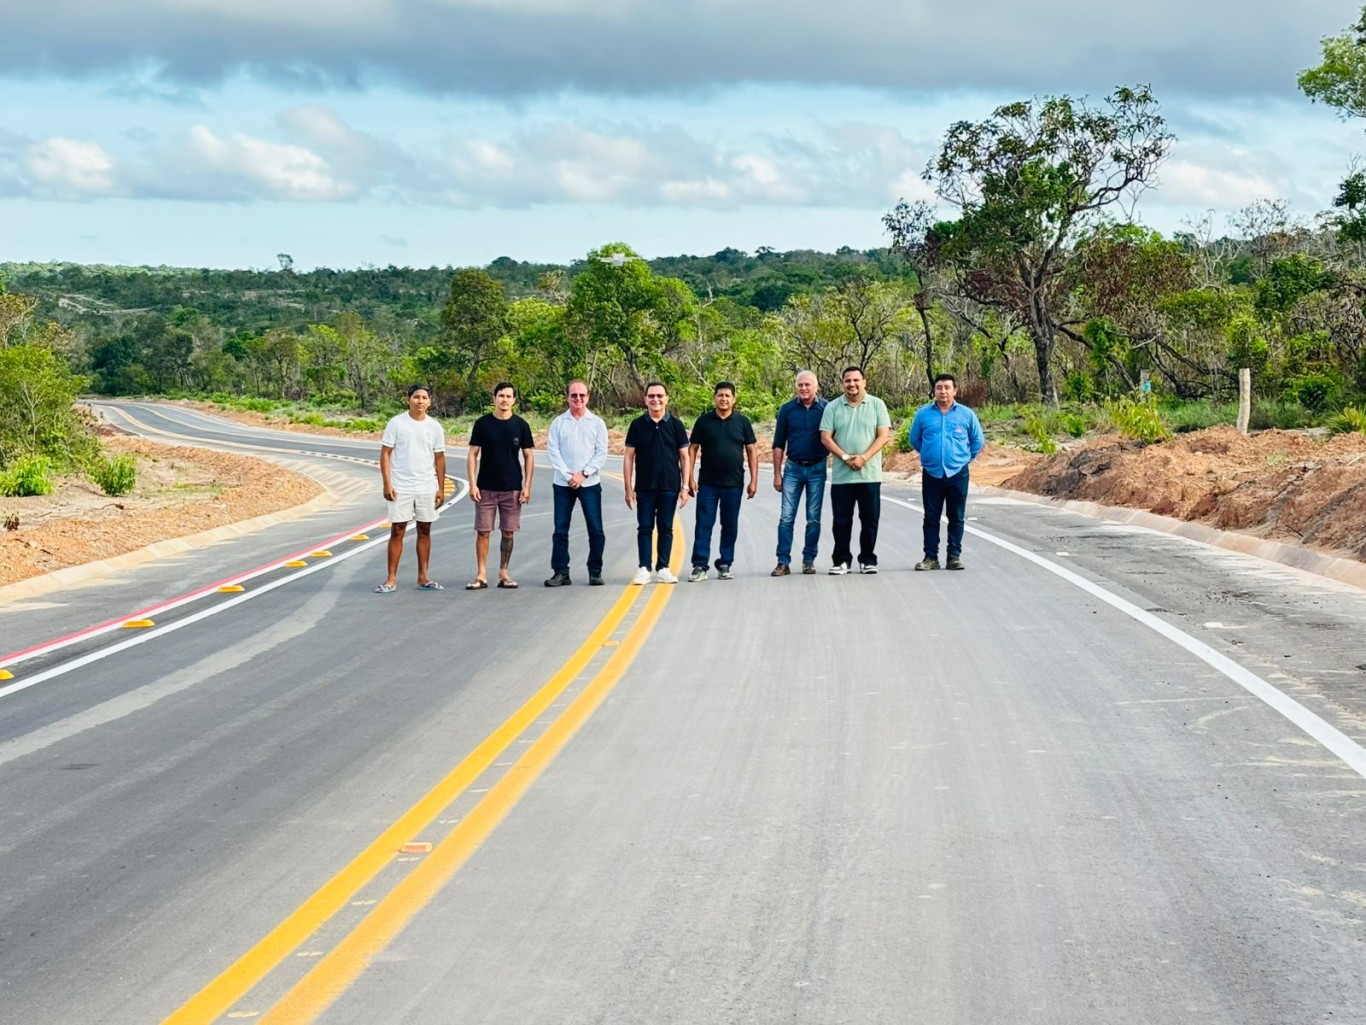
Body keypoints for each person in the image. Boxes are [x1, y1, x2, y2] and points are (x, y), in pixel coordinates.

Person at [908, 372, 985, 571]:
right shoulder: (923, 415)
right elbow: (915, 439)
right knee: (931, 516)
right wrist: (929, 454)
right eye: (939, 388)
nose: (943, 391)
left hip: (958, 473)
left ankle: (954, 557)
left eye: (947, 388)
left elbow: (977, 441)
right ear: (934, 391)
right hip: (932, 473)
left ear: (955, 390)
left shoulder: (966, 415)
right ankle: (930, 557)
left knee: (956, 516)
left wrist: (964, 459)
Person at [819, 366, 891, 574]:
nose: (852, 384)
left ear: (864, 382)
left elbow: (883, 436)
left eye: (856, 380)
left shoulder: (877, 404)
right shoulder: (833, 407)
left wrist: (864, 457)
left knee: (870, 520)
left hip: (869, 475)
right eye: (848, 381)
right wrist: (845, 457)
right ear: (843, 383)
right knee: (841, 521)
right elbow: (825, 437)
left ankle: (868, 559)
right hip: (842, 477)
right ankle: (841, 560)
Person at [376, 384, 447, 593]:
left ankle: (423, 577)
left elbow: (439, 458)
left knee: (424, 529)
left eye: (424, 397)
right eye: (416, 397)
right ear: (408, 399)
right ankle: (391, 579)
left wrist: (440, 488)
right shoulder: (397, 423)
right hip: (401, 486)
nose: (420, 401)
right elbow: (386, 453)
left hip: (426, 486)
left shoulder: (435, 427)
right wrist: (387, 483)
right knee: (398, 529)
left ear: (430, 401)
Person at [466, 382, 535, 589]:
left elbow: (528, 456)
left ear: (514, 400)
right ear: (494, 398)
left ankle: (504, 573)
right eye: (501, 396)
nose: (504, 400)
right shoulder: (482, 424)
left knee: (508, 532)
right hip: (485, 488)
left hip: (512, 488)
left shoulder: (521, 425)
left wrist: (527, 486)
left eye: (508, 396)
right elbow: (473, 454)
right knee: (483, 531)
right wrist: (472, 484)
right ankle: (481, 574)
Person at [686, 381, 758, 581]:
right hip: (708, 483)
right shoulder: (704, 421)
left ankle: (725, 563)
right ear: (714, 398)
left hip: (734, 484)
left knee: (730, 524)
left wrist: (754, 480)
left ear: (734, 399)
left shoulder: (742, 422)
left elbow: (751, 450)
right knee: (704, 524)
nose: (724, 399)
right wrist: (689, 478)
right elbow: (692, 449)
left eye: (727, 396)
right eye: (720, 395)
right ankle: (700, 565)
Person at [622, 382, 690, 585]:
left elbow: (685, 457)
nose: (656, 399)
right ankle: (644, 568)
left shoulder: (676, 425)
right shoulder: (637, 425)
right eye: (651, 396)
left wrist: (685, 487)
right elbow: (629, 457)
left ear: (667, 399)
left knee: (666, 528)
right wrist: (628, 488)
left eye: (660, 395)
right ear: (645, 399)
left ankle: (663, 568)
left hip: (670, 486)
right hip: (644, 487)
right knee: (644, 528)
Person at [545, 379, 609, 587]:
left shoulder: (597, 423)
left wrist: (584, 474)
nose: (578, 399)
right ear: (567, 397)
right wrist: (568, 476)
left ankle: (595, 571)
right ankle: (561, 572)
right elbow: (553, 452)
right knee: (560, 530)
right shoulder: (558, 423)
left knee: (596, 529)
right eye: (574, 395)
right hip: (563, 484)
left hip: (590, 484)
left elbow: (601, 453)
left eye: (582, 395)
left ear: (588, 397)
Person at [770, 370, 828, 576]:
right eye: (800, 385)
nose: (804, 388)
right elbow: (778, 443)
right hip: (793, 469)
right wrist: (777, 474)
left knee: (813, 519)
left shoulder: (827, 409)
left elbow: (835, 437)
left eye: (807, 385)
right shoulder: (786, 410)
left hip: (817, 469)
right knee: (786, 517)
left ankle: (808, 560)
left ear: (816, 387)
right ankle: (782, 562)